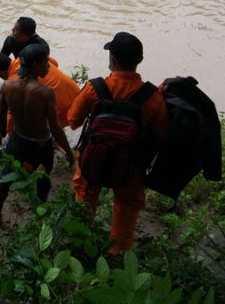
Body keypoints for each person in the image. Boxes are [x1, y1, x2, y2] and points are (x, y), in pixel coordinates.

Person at [68, 32, 168, 255]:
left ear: (112, 58)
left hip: (93, 157)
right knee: (126, 207)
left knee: (85, 194)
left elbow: (73, 121)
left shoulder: (94, 88)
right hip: (131, 165)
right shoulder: (153, 97)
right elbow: (161, 135)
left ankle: (80, 244)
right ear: (139, 61)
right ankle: (118, 253)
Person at [0, 44, 74, 226]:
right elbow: (55, 128)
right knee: (42, 180)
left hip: (17, 140)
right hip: (41, 146)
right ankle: (39, 215)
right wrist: (69, 152)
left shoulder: (7, 85)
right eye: (46, 63)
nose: (48, 67)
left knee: (5, 177)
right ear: (36, 65)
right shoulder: (45, 93)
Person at [0, 52, 80, 128]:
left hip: (64, 113)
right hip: (78, 96)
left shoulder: (14, 83)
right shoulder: (25, 57)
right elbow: (54, 62)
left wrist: (9, 134)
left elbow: (13, 113)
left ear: (0, 72)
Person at [0, 17, 48, 85]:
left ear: (24, 34)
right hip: (19, 71)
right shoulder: (11, 40)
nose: (12, 30)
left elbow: (45, 68)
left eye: (15, 29)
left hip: (37, 76)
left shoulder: (42, 46)